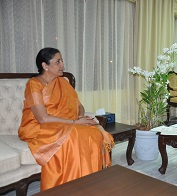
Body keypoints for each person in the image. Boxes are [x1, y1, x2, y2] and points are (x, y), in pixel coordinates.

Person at [18, 47, 114, 191]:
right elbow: (42, 118)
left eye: (62, 61)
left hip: (63, 122)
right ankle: (69, 188)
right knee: (75, 134)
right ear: (45, 66)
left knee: (93, 133)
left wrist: (80, 116)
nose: (62, 65)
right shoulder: (34, 85)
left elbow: (79, 105)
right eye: (58, 62)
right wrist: (75, 123)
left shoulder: (63, 82)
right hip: (38, 126)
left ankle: (89, 183)